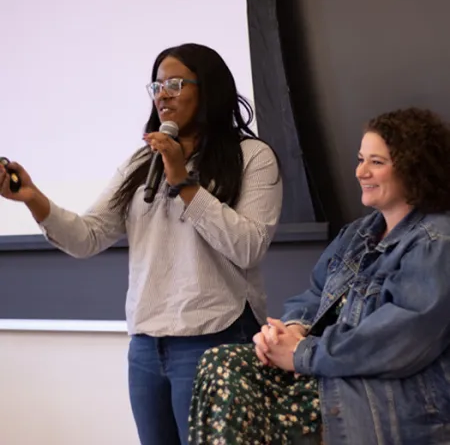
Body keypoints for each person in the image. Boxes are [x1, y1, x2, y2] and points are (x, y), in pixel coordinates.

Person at [0, 43, 282, 445]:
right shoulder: (141, 161)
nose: (162, 94)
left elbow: (248, 247)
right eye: (157, 85)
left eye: (175, 83)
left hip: (215, 336)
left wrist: (185, 181)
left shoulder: (251, 156)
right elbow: (88, 236)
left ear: (209, 89)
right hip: (147, 348)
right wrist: (32, 197)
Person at [188, 107, 450, 445]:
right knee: (221, 361)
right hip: (327, 374)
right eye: (360, 159)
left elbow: (397, 341)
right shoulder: (356, 235)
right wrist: (292, 329)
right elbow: (314, 295)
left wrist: (300, 353)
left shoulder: (436, 242)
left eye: (377, 162)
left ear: (415, 170)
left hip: (383, 397)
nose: (360, 172)